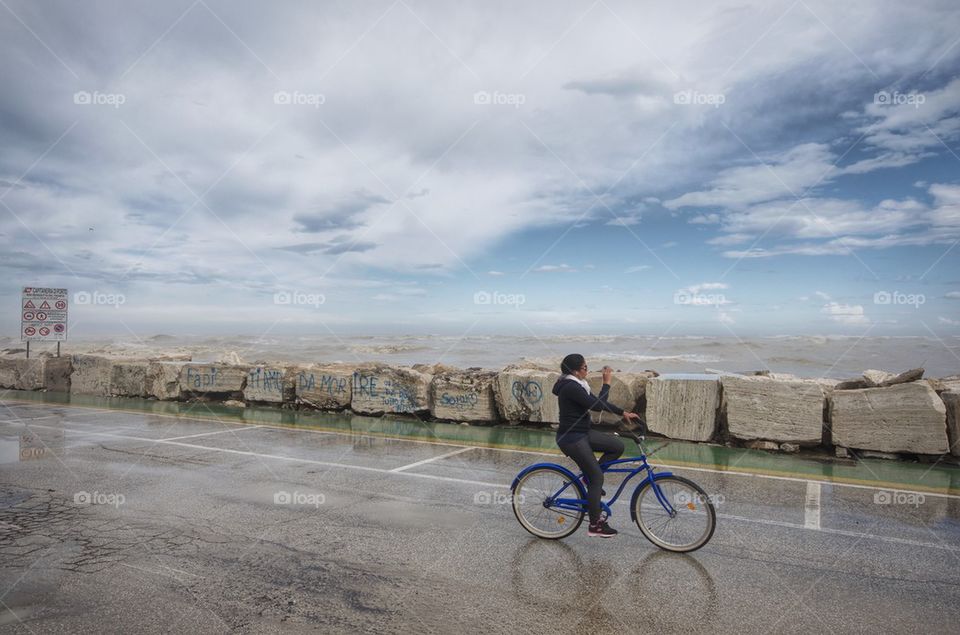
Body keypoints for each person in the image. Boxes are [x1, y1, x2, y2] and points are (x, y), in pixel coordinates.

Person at [553, 353, 641, 538]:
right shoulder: (570, 387)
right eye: (585, 367)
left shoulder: (578, 384)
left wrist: (623, 412)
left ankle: (588, 478)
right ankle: (595, 525)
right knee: (597, 479)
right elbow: (597, 406)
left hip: (582, 433)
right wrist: (607, 382)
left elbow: (598, 402)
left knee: (617, 447)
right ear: (576, 371)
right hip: (572, 439)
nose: (587, 370)